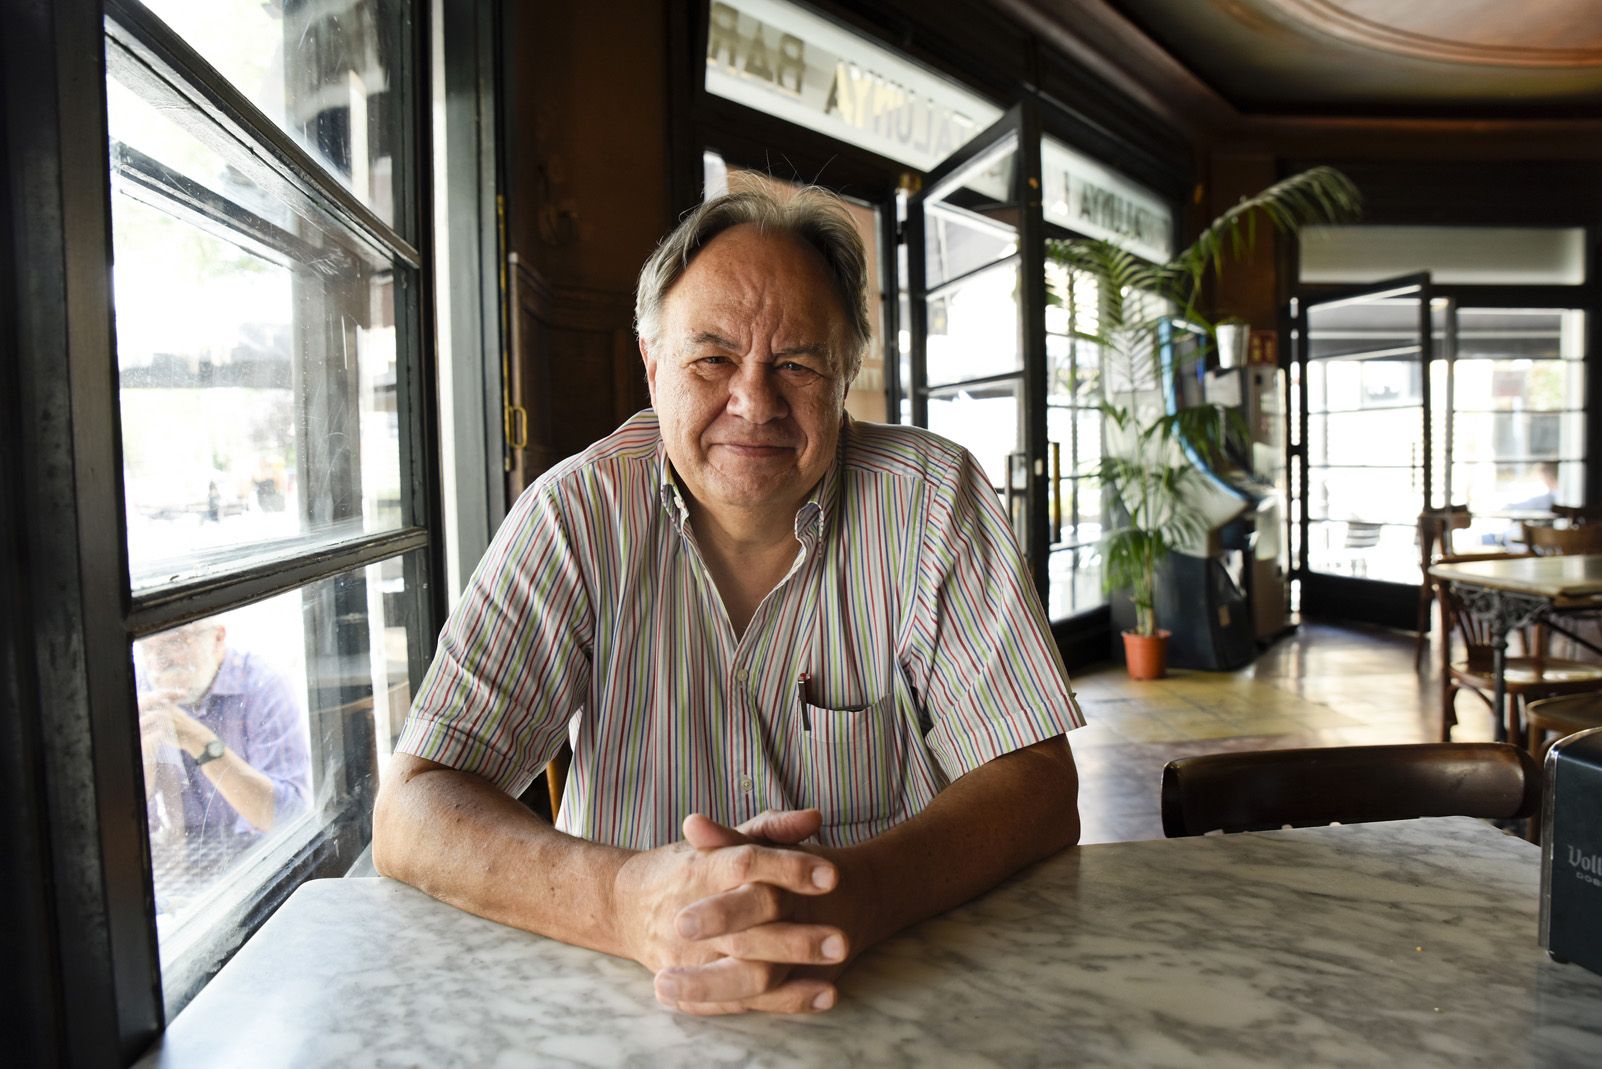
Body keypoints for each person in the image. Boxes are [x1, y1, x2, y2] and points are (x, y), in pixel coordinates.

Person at [373, 188, 1083, 1017]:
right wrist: (627, 901)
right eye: (712, 357)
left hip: (893, 978)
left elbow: (1039, 784)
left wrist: (858, 890)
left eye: (798, 363)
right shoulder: (575, 514)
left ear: (846, 370)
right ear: (651, 363)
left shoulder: (933, 499)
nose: (754, 402)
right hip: (631, 992)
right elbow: (413, 810)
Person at [137, 621, 312, 847]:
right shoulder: (142, 689)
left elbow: (290, 818)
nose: (158, 662)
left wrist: (199, 741)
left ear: (218, 638)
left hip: (262, 857)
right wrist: (142, 759)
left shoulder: (263, 685)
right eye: (146, 648)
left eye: (174, 642)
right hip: (187, 859)